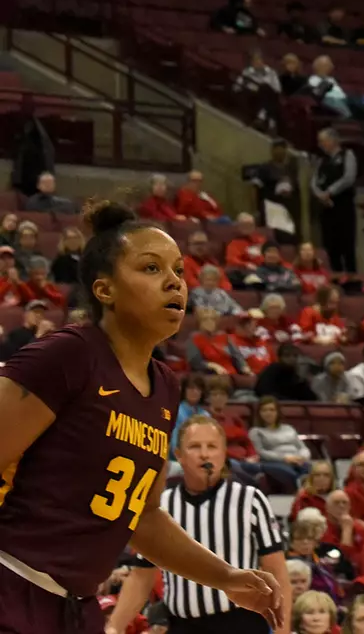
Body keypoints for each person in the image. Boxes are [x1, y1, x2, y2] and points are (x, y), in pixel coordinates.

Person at [0, 202, 282, 631]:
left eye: (178, 271)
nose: (174, 282)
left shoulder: (165, 386)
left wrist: (224, 577)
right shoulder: (68, 355)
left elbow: (142, 516)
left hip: (76, 608)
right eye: (151, 269)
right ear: (105, 290)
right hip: (12, 585)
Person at [107, 413, 290, 634]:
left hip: (240, 624)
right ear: (178, 455)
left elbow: (277, 573)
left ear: (224, 454)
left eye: (212, 446)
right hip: (183, 625)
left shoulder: (250, 499)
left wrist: (282, 630)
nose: (204, 454)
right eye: (195, 447)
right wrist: (114, 626)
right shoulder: (161, 505)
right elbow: (141, 576)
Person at [313, 128, 359, 274]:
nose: (320, 144)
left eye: (323, 141)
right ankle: (335, 278)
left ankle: (352, 281)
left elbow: (348, 178)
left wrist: (330, 192)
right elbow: (314, 181)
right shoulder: (322, 161)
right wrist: (319, 194)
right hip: (326, 209)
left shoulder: (347, 155)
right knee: (330, 247)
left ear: (332, 140)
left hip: (343, 207)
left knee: (347, 246)